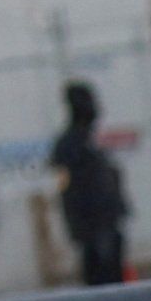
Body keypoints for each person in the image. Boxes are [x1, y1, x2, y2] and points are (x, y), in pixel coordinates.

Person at [49, 81, 132, 288]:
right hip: (94, 226)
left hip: (104, 223)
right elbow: (66, 187)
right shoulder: (70, 145)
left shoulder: (87, 141)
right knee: (102, 279)